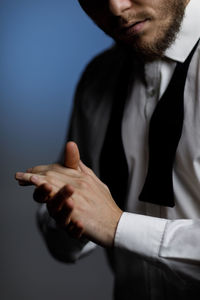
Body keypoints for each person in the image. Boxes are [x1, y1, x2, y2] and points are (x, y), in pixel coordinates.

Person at [15, 0, 200, 299]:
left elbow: (108, 221)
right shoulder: (98, 78)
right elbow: (65, 243)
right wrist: (67, 214)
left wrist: (117, 226)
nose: (115, 7)